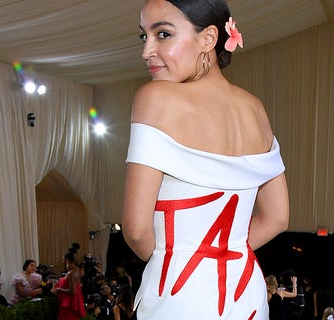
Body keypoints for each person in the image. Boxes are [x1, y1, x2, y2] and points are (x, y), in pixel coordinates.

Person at [121, 0, 289, 319]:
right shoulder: (255, 109)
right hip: (246, 292)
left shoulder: (154, 98)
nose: (147, 51)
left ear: (209, 38)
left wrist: (175, 259)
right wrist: (226, 254)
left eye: (163, 34)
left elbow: (136, 230)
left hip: (177, 294)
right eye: (145, 36)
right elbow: (278, 217)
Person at [51, 243, 86, 320]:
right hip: (71, 301)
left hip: (69, 303)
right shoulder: (76, 270)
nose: (62, 261)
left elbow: (72, 291)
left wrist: (59, 289)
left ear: (67, 260)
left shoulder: (71, 273)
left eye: (63, 259)